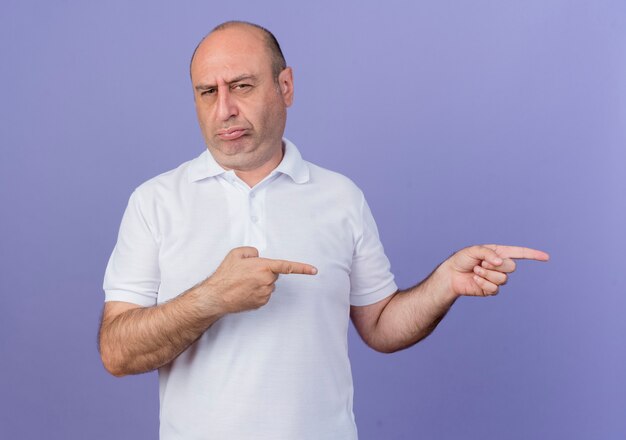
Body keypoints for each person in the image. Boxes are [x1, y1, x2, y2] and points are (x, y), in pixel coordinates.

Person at [99, 20, 549, 439]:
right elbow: (117, 352)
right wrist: (211, 298)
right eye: (206, 92)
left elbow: (380, 324)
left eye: (241, 86)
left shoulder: (341, 197)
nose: (225, 109)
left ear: (285, 86)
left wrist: (443, 284)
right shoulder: (154, 202)